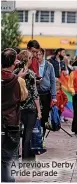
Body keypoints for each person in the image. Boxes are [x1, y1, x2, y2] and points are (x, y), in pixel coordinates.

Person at [2, 48, 28, 182]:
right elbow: (23, 97)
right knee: (8, 159)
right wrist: (19, 78)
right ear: (14, 63)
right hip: (11, 123)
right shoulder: (19, 81)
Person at [13, 50, 42, 162]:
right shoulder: (31, 74)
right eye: (30, 58)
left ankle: (15, 157)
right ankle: (27, 159)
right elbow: (35, 93)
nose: (31, 60)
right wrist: (39, 111)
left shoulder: (14, 73)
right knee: (28, 134)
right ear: (27, 59)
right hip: (30, 108)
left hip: (17, 108)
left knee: (16, 134)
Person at [37, 48, 57, 137]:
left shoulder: (49, 66)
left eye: (40, 54)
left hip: (46, 94)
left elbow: (53, 81)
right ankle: (35, 136)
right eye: (36, 54)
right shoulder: (33, 64)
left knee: (44, 116)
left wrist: (54, 96)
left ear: (43, 55)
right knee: (36, 115)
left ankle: (42, 136)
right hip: (36, 94)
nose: (38, 56)